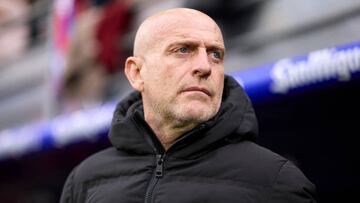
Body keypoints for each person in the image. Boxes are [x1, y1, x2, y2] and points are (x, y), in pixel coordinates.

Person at [60, 8, 317, 203]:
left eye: (215, 54)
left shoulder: (276, 182)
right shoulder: (84, 182)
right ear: (136, 73)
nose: (205, 66)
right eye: (183, 50)